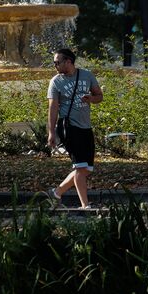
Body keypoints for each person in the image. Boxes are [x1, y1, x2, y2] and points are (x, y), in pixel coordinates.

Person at [47, 49, 103, 209]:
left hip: (86, 127)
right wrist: (51, 132)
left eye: (57, 62)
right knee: (80, 167)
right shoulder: (56, 82)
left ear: (68, 62)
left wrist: (91, 99)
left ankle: (57, 192)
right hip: (69, 127)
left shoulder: (87, 75)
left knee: (86, 169)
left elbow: (100, 96)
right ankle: (85, 205)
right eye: (54, 62)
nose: (55, 65)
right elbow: (52, 108)